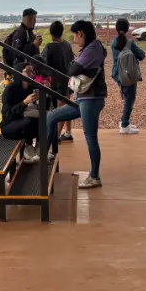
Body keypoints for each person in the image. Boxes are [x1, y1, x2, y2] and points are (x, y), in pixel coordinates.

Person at [46, 19, 107, 189]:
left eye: (74, 36)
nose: (74, 40)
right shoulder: (91, 47)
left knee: (90, 137)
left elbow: (72, 69)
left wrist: (73, 64)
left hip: (91, 100)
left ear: (81, 34)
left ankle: (95, 176)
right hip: (84, 99)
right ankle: (47, 153)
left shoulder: (93, 49)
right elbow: (74, 66)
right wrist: (74, 63)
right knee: (52, 116)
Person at [0, 60, 43, 162]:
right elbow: (7, 115)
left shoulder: (31, 88)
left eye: (31, 71)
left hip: (23, 121)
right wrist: (24, 102)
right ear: (19, 73)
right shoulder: (11, 89)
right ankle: (27, 148)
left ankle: (39, 147)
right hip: (8, 126)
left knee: (45, 119)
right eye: (27, 71)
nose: (31, 74)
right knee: (28, 121)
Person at [41, 20, 75, 143]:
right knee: (66, 106)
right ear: (62, 32)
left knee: (59, 112)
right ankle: (68, 132)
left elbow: (42, 65)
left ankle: (55, 137)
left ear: (51, 32)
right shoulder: (67, 45)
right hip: (67, 80)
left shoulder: (49, 47)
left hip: (55, 82)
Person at [110, 18, 145, 135]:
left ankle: (125, 121)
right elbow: (142, 55)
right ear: (127, 29)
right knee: (130, 99)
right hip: (129, 74)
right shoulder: (129, 43)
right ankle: (124, 125)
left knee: (125, 97)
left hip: (117, 74)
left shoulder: (114, 42)